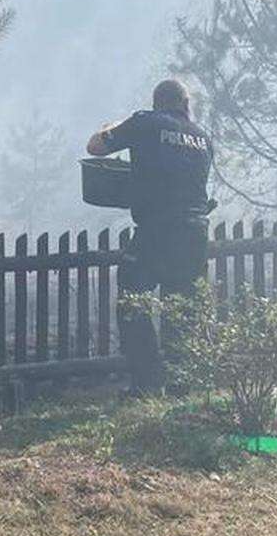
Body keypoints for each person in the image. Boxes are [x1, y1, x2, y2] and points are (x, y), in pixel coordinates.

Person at [87, 78, 214, 395]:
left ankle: (146, 383)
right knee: (182, 306)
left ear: (158, 103)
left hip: (158, 228)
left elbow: (96, 147)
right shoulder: (203, 138)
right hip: (195, 233)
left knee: (133, 301)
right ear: (186, 105)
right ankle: (181, 384)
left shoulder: (146, 123)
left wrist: (112, 126)